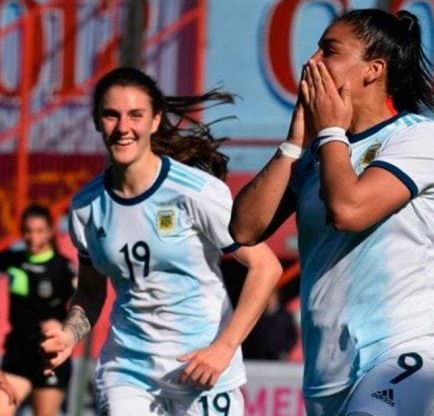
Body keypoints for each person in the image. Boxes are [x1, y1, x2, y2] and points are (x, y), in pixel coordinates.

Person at [230, 8, 434, 416]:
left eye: (329, 51)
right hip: (328, 375)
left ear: (373, 70)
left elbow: (349, 209)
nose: (312, 62)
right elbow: (245, 229)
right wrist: (293, 144)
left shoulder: (417, 137)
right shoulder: (317, 155)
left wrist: (331, 133)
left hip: (408, 350)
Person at [40, 67, 283, 416]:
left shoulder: (196, 192)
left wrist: (224, 347)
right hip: (128, 370)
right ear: (97, 122)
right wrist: (68, 335)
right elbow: (91, 292)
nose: (123, 128)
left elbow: (265, 267)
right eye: (111, 115)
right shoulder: (86, 207)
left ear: (155, 121)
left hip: (201, 368)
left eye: (135, 115)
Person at [0, 205, 75, 416]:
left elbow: (84, 306)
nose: (32, 237)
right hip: (18, 353)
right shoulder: (13, 260)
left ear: (50, 231)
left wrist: (63, 326)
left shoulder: (63, 268)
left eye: (39, 231)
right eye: (28, 231)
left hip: (49, 356)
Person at [240, 290, 298, 360]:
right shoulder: (257, 315)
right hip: (257, 357)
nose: (269, 299)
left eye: (271, 296)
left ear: (276, 297)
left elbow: (292, 335)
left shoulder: (285, 315)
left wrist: (285, 350)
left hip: (278, 357)